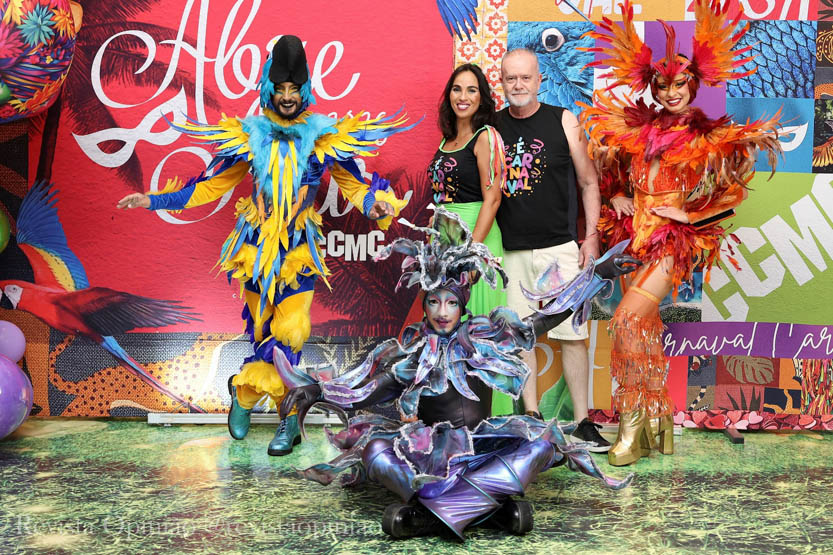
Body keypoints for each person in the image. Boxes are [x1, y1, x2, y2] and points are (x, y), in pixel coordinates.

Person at [117, 35, 412, 456]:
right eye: (281, 88)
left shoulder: (324, 137)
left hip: (298, 252)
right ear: (268, 88)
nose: (287, 97)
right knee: (262, 335)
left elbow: (354, 185)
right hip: (254, 251)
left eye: (295, 89)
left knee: (291, 332)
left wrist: (376, 204)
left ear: (305, 89)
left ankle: (288, 421)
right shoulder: (248, 136)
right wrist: (153, 201)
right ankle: (244, 392)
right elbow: (208, 186)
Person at [277, 207, 639, 540]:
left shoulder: (484, 338)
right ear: (424, 305)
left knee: (543, 443)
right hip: (429, 457)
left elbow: (544, 319)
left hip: (481, 450)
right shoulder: (415, 351)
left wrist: (598, 274)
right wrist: (319, 392)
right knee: (373, 449)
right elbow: (371, 389)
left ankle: (429, 515)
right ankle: (490, 510)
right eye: (434, 302)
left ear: (462, 305)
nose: (442, 312)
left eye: (451, 302)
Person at [580, 0, 781, 466]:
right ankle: (658, 421)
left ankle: (630, 426)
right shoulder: (637, 129)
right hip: (633, 240)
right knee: (645, 330)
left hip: (669, 244)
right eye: (663, 85)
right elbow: (610, 174)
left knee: (626, 321)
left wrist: (689, 216)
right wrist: (617, 196)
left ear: (693, 84)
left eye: (679, 84)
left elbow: (734, 191)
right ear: (653, 87)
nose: (671, 93)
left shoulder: (706, 135)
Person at [495, 48, 608, 451]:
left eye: (525, 77)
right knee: (521, 335)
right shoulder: (491, 128)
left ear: (539, 80)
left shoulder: (564, 120)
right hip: (510, 250)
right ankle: (531, 416)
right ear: (501, 82)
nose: (518, 85)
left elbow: (589, 182)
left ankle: (582, 421)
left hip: (560, 248)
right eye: (511, 78)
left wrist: (591, 236)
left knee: (572, 335)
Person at [427, 63, 510, 414]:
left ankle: (489, 416)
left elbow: (493, 199)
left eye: (472, 90)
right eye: (457, 89)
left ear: (482, 97)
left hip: (477, 238)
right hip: (445, 242)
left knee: (478, 330)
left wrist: (472, 253)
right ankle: (454, 414)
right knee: (448, 327)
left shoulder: (486, 136)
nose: (463, 96)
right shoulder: (446, 142)